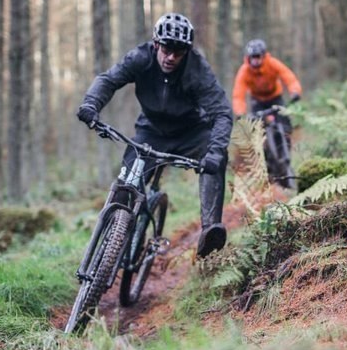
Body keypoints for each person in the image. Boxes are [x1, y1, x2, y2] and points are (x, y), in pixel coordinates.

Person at [76, 13, 233, 258]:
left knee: (217, 160)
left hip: (191, 133)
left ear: (187, 52)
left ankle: (210, 229)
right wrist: (91, 104)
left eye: (179, 52)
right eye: (167, 49)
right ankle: (112, 241)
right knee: (125, 187)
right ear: (156, 44)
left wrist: (214, 151)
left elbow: (222, 112)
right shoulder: (140, 57)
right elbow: (109, 80)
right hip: (151, 131)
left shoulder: (197, 69)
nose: (171, 57)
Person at [231, 39, 302, 186]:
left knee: (285, 124)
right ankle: (266, 164)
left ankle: (285, 151)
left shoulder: (272, 63)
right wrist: (240, 112)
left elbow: (288, 76)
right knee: (257, 132)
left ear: (264, 56)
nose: (255, 61)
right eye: (252, 58)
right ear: (248, 58)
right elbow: (238, 94)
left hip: (275, 98)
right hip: (257, 102)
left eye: (258, 57)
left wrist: (295, 91)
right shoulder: (244, 71)